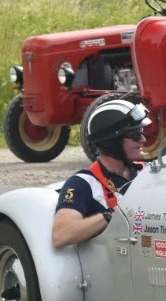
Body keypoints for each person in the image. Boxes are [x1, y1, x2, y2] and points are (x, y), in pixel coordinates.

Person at [53, 98, 149, 249]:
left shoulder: (148, 171)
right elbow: (60, 235)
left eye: (141, 132)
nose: (143, 139)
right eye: (135, 135)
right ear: (112, 141)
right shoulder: (83, 183)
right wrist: (111, 214)